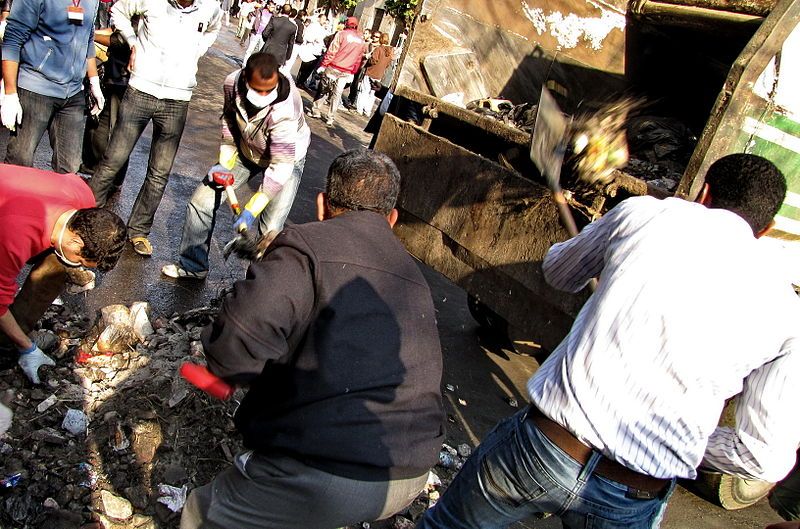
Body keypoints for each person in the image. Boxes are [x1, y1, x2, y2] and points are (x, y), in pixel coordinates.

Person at [418, 153, 800, 529]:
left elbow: (558, 273)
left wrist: (606, 258)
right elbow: (763, 458)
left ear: (704, 193)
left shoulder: (644, 214)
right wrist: (679, 439)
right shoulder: (787, 311)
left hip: (543, 448)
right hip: (635, 490)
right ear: (765, 229)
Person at [179, 149, 444, 529]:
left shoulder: (306, 245)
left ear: (322, 204)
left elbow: (238, 339)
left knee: (200, 513)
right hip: (411, 472)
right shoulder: (412, 274)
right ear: (392, 219)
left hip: (334, 469)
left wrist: (231, 373)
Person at [88, 0, 221, 257]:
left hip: (178, 99)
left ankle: (138, 230)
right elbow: (118, 11)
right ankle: (86, 217)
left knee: (159, 173)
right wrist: (132, 41)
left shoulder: (210, 7)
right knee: (113, 160)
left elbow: (213, 29)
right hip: (140, 91)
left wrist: (197, 50)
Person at [161, 52, 309, 280]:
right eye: (257, 89)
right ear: (245, 78)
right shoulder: (232, 83)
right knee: (201, 202)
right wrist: (224, 162)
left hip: (286, 159)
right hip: (245, 150)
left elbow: (280, 167)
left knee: (270, 229)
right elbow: (229, 123)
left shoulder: (284, 110)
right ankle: (194, 264)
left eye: (268, 90)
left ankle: (258, 288)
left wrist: (250, 210)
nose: (263, 95)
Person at [0, 165, 126, 385]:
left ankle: (9, 337)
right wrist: (27, 347)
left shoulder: (82, 197)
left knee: (60, 262)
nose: (79, 265)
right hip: (9, 214)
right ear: (76, 241)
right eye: (81, 260)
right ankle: (11, 341)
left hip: (23, 208)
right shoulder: (12, 240)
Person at [1, 0, 105, 173]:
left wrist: (94, 81)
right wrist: (10, 93)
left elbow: (88, 39)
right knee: (19, 164)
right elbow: (12, 39)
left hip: (73, 94)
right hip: (35, 87)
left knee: (69, 170)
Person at [81, 27, 134, 192]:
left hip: (122, 78)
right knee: (101, 125)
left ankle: (107, 177)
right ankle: (99, 173)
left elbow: (121, 40)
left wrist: (90, 34)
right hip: (116, 74)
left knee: (109, 128)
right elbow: (117, 30)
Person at [308, 16, 366, 126]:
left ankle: (316, 111)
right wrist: (353, 71)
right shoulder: (361, 40)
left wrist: (324, 65)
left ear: (346, 24)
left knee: (324, 89)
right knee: (337, 94)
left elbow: (332, 51)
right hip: (346, 72)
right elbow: (359, 58)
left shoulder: (341, 34)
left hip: (334, 67)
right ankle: (330, 117)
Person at [356, 32, 392, 116]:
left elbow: (373, 60)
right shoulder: (390, 52)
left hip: (371, 72)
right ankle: (367, 111)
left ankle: (360, 109)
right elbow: (387, 65)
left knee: (364, 90)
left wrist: (369, 59)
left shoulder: (378, 49)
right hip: (379, 75)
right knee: (372, 93)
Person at [259, 2, 296, 69]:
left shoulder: (274, 20)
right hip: (280, 55)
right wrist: (287, 56)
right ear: (290, 13)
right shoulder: (293, 27)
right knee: (273, 75)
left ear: (281, 10)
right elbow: (291, 44)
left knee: (262, 71)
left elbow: (265, 33)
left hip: (268, 50)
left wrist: (267, 41)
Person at [295, 13, 327, 89]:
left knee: (310, 69)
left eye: (325, 19)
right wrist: (314, 39)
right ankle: (299, 81)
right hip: (310, 49)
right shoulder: (313, 26)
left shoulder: (323, 28)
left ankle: (303, 81)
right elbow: (307, 36)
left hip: (318, 51)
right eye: (323, 19)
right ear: (319, 18)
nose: (324, 21)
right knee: (305, 67)